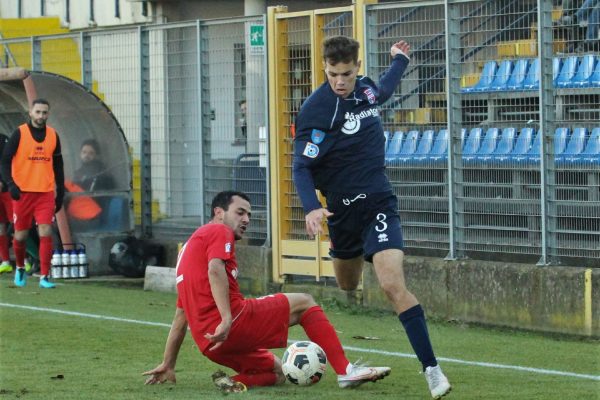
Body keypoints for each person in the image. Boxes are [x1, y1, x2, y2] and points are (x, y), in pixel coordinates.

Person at [292, 36, 451, 399]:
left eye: (346, 74)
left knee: (393, 285)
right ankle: (345, 250)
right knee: (348, 285)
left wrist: (399, 61)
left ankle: (432, 370)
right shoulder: (317, 110)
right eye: (333, 74)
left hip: (379, 203)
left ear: (357, 68)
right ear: (325, 69)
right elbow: (301, 165)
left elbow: (384, 91)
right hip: (341, 213)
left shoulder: (365, 91)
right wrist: (311, 207)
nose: (340, 82)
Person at [143, 191, 391, 393]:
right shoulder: (218, 231)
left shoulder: (187, 251)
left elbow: (180, 317)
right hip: (231, 324)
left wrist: (168, 363)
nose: (246, 219)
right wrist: (227, 319)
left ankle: (234, 382)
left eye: (249, 214)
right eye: (239, 212)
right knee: (305, 302)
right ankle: (345, 371)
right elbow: (215, 269)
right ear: (218, 213)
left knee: (278, 371)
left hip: (210, 344)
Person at [0, 98, 65, 289]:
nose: (41, 116)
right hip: (23, 193)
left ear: (48, 114)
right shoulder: (19, 133)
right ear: (30, 113)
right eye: (38, 112)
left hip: (44, 193)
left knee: (45, 231)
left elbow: (58, 165)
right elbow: (4, 161)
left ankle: (45, 276)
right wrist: (11, 185)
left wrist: (60, 192)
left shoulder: (53, 135)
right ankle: (20, 267)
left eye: (44, 112)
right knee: (20, 236)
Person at [0, 134, 13, 274]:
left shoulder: (3, 139)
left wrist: (3, 181)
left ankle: (27, 259)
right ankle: (5, 261)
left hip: (7, 190)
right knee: (1, 225)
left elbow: (9, 162)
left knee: (16, 224)